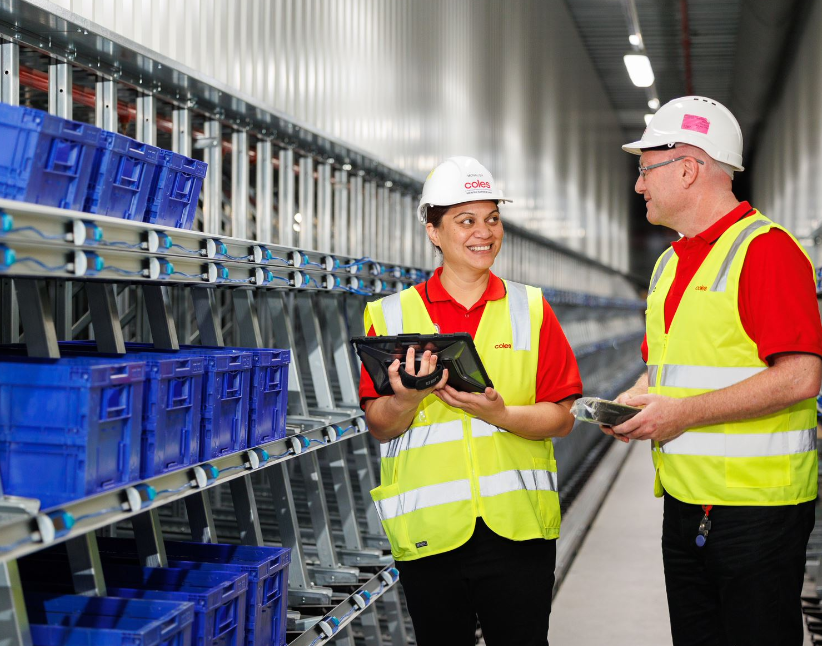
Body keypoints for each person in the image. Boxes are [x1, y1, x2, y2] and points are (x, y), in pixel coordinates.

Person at [608, 96, 822, 646]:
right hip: (685, 504)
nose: (638, 187)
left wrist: (681, 414)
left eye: (644, 170)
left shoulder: (767, 252)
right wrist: (638, 399)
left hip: (756, 513)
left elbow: (801, 377)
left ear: (687, 167)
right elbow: (666, 368)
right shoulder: (670, 262)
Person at [359, 156, 582, 646]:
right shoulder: (392, 315)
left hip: (517, 530)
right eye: (466, 221)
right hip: (430, 530)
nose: (484, 233)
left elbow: (562, 418)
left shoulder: (531, 308)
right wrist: (406, 400)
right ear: (434, 231)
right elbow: (379, 423)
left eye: (492, 219)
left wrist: (501, 415)